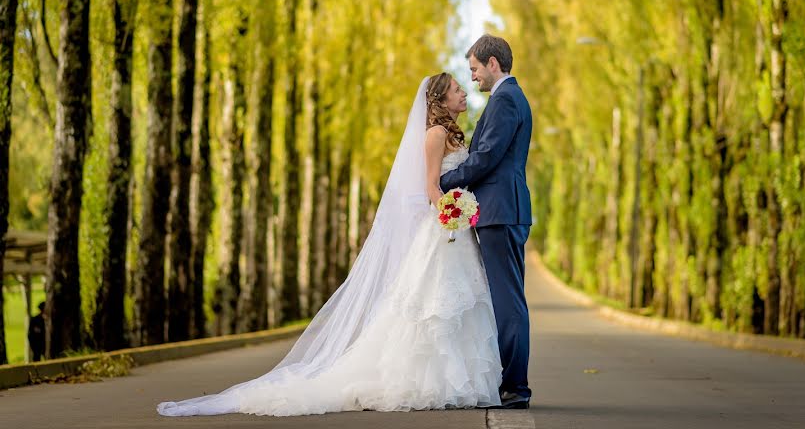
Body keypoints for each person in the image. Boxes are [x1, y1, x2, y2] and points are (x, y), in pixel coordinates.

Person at [158, 72, 503, 416]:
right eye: (458, 90)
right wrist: (450, 213)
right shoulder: (435, 134)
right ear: (441, 100)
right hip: (444, 227)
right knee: (431, 306)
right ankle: (431, 381)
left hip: (454, 229)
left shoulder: (453, 134)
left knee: (457, 304)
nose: (464, 93)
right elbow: (431, 186)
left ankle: (460, 382)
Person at [440, 34, 533, 409]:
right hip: (499, 210)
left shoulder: (507, 99)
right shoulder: (506, 98)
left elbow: (488, 156)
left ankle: (515, 388)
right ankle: (508, 383)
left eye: (476, 69)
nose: (474, 78)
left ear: (493, 64)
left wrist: (443, 183)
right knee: (505, 298)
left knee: (507, 301)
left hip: (500, 211)